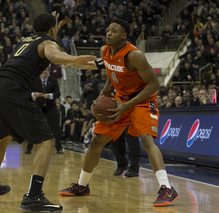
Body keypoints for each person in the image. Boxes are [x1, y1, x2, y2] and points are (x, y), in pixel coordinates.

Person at [0, 12, 97, 212]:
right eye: (57, 26)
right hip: (10, 88)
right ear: (53, 29)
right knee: (46, 140)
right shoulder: (48, 41)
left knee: (4, 135)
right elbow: (53, 55)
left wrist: (49, 22)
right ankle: (33, 196)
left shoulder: (28, 39)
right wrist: (76, 58)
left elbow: (58, 56)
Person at [59, 19, 179, 207]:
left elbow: (154, 84)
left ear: (124, 35)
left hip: (143, 100)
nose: (108, 33)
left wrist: (127, 105)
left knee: (147, 140)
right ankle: (82, 185)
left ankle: (166, 188)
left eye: (113, 31)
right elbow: (112, 77)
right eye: (107, 30)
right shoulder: (104, 51)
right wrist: (101, 96)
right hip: (120, 100)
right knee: (97, 140)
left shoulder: (134, 55)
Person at [26, 68, 64, 154]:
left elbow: (58, 93)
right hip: (38, 107)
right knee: (33, 127)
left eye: (46, 70)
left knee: (56, 128)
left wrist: (50, 95)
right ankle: (29, 148)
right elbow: (28, 92)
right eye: (43, 70)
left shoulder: (53, 81)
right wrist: (33, 94)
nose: (44, 71)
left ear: (48, 71)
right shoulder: (35, 81)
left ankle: (59, 148)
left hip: (50, 107)